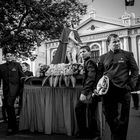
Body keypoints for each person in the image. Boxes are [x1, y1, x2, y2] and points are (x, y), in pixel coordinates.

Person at [98, 33, 139, 140]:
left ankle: (117, 138)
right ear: (108, 43)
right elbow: (99, 74)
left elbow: (135, 70)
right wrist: (97, 88)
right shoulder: (102, 58)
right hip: (107, 92)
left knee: (122, 119)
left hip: (123, 91)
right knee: (108, 116)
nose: (117, 43)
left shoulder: (128, 54)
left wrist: (131, 85)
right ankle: (116, 135)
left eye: (118, 41)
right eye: (114, 42)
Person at [75, 45, 101, 140]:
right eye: (81, 52)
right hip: (92, 91)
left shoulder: (89, 61)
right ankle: (88, 133)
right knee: (89, 112)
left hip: (91, 92)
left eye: (84, 51)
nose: (82, 53)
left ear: (89, 52)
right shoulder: (87, 62)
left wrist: (84, 93)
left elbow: (91, 77)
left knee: (86, 111)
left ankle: (92, 134)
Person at [0, 50, 25, 135]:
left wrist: (22, 89)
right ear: (5, 57)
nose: (9, 57)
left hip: (15, 89)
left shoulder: (17, 65)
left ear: (13, 57)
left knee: (9, 105)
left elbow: (22, 76)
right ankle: (14, 125)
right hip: (6, 90)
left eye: (11, 55)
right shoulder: (1, 66)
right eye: (7, 56)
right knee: (8, 107)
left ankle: (10, 127)